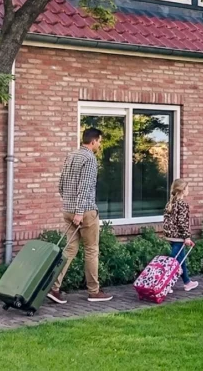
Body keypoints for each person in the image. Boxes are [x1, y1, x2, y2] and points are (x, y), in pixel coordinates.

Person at [48, 127, 113, 304]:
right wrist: (79, 212)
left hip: (67, 209)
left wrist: (70, 206)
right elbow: (85, 187)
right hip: (84, 212)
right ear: (93, 141)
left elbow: (61, 184)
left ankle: (54, 289)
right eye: (99, 141)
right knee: (91, 250)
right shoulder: (90, 159)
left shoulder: (71, 155)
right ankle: (94, 292)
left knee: (69, 250)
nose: (99, 144)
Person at [162, 179, 199, 292]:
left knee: (180, 259)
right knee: (174, 260)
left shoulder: (170, 203)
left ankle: (187, 282)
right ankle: (166, 284)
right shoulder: (182, 204)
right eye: (187, 188)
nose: (188, 190)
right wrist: (186, 237)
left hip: (171, 235)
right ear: (183, 190)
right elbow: (182, 222)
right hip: (179, 236)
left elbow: (167, 220)